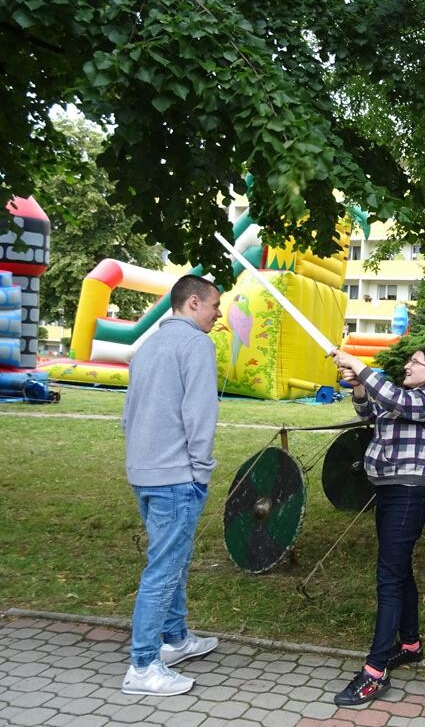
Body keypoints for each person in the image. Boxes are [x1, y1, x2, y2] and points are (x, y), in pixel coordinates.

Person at [331, 346, 425, 707]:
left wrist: (359, 364)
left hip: (408, 495)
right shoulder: (404, 398)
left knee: (388, 577)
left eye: (414, 362)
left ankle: (374, 672)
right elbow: (369, 409)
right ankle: (411, 644)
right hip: (388, 492)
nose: (407, 365)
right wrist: (357, 385)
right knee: (399, 571)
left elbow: (393, 397)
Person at [120, 275, 222, 696]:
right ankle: (143, 666)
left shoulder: (147, 346)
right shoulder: (195, 344)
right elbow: (200, 414)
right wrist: (201, 469)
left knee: (173, 559)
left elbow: (128, 413)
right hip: (176, 475)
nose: (218, 313)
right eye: (215, 305)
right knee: (163, 569)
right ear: (193, 302)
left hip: (144, 472)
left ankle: (175, 639)